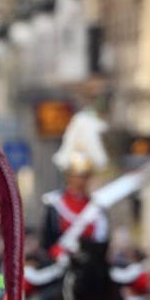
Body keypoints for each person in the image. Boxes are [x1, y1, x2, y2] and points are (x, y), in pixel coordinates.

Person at [40, 110, 110, 257]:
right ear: (68, 177)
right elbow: (48, 240)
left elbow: (102, 239)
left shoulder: (97, 207)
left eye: (84, 176)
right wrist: (57, 253)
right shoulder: (55, 204)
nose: (80, 180)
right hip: (61, 259)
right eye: (76, 176)